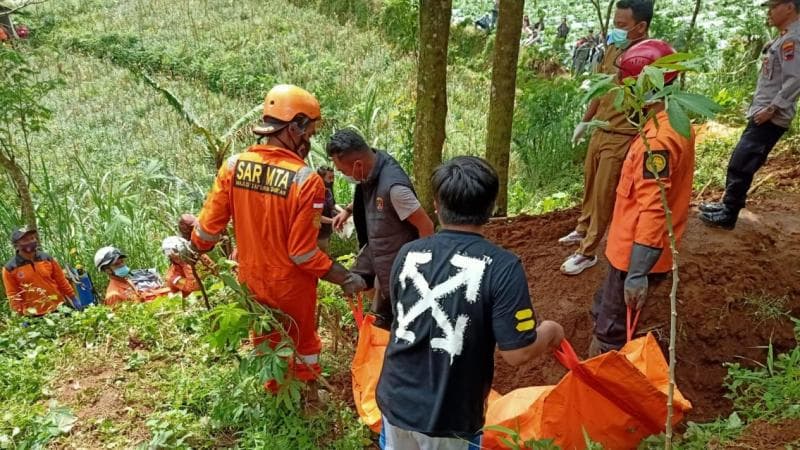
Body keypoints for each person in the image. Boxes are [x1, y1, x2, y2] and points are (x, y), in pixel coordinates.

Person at [189, 84, 366, 399]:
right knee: (303, 345)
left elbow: (206, 232)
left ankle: (275, 395)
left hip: (250, 280)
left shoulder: (233, 166)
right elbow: (303, 253)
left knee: (267, 341)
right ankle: (306, 400)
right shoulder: (304, 180)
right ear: (295, 127)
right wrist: (343, 276)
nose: (309, 141)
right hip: (290, 285)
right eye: (308, 132)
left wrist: (193, 248)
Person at [376, 156, 565, 448]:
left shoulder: (408, 253)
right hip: (448, 419)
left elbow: (399, 318)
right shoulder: (503, 267)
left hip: (394, 400)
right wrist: (550, 332)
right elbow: (517, 353)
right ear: (490, 208)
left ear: (436, 205)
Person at [589, 39, 695, 356]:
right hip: (627, 247)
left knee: (611, 331)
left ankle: (600, 381)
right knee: (605, 307)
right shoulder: (668, 121)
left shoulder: (659, 140)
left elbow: (653, 210)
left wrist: (636, 273)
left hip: (633, 254)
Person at [560, 0, 654, 276]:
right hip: (600, 130)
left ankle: (588, 252)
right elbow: (601, 90)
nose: (616, 30)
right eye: (615, 23)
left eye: (622, 26)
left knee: (604, 194)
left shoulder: (650, 58)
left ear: (641, 26)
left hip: (622, 135)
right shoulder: (614, 49)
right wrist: (584, 121)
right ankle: (582, 228)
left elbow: (653, 102)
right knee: (590, 185)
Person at [700, 0, 800, 229]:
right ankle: (727, 205)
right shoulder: (784, 36)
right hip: (762, 111)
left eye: (773, 7)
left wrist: (772, 109)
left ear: (789, 7)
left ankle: (729, 214)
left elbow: (796, 80)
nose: (769, 12)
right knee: (741, 160)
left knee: (742, 162)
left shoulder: (793, 39)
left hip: (771, 115)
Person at [328, 129, 435, 330]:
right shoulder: (371, 170)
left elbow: (426, 226)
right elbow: (371, 194)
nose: (344, 176)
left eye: (343, 171)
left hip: (402, 271)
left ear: (358, 165)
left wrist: (425, 272)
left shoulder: (396, 189)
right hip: (381, 258)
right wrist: (348, 211)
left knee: (399, 327)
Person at [2, 226, 76, 316]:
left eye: (32, 238)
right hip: (33, 315)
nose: (30, 241)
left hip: (59, 307)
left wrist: (73, 298)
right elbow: (13, 295)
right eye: (25, 240)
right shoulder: (10, 268)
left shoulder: (47, 258)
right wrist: (19, 314)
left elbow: (61, 281)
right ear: (16, 245)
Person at [94, 246, 169, 306]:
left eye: (122, 261)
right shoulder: (114, 295)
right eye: (117, 264)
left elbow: (140, 298)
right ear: (107, 270)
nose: (122, 265)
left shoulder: (126, 280)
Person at [316, 166, 337, 254]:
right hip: (319, 233)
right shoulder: (317, 193)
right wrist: (334, 221)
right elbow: (316, 216)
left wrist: (344, 212)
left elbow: (333, 205)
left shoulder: (328, 190)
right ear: (321, 178)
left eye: (333, 177)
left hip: (327, 230)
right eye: (329, 177)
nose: (332, 180)